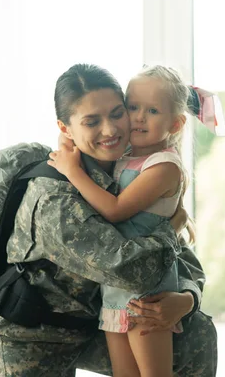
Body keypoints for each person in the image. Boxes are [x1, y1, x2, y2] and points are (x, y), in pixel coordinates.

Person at [0, 64, 217, 377]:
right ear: (65, 128)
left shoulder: (126, 168)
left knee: (196, 335)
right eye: (92, 121)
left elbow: (182, 259)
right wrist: (172, 227)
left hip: (92, 321)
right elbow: (129, 266)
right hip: (38, 336)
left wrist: (187, 299)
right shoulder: (56, 196)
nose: (110, 130)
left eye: (117, 112)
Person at [48, 65, 198, 377]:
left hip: (148, 294)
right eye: (133, 107)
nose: (139, 118)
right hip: (115, 293)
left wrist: (72, 170)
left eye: (152, 110)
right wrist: (68, 147)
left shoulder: (164, 166)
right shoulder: (126, 155)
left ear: (176, 122)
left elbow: (116, 210)